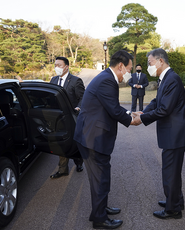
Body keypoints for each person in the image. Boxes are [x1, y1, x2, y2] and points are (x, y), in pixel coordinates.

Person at [74, 50, 138, 229]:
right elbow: (114, 110)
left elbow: (112, 106)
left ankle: (100, 209)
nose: (129, 73)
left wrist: (128, 113)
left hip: (91, 136)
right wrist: (132, 120)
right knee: (100, 179)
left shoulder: (105, 78)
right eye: (129, 69)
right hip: (93, 138)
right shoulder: (107, 81)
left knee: (101, 178)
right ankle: (99, 219)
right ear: (120, 66)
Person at [132, 48, 185, 220]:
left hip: (175, 134)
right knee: (173, 171)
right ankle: (176, 201)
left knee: (170, 172)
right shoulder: (166, 78)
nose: (148, 66)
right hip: (174, 133)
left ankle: (173, 209)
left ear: (160, 61)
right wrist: (143, 113)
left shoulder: (172, 79)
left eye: (150, 63)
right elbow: (157, 101)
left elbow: (165, 109)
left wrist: (141, 120)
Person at [49, 56, 85, 179]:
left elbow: (83, 98)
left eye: (59, 65)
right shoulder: (53, 80)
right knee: (61, 143)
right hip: (58, 118)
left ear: (66, 66)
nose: (56, 67)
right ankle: (63, 169)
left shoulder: (75, 81)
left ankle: (79, 162)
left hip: (72, 117)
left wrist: (78, 108)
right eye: (55, 65)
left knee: (75, 142)